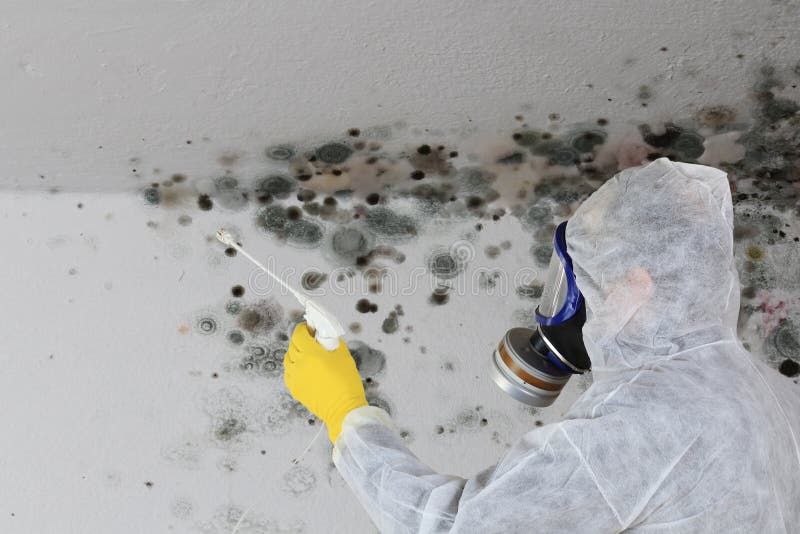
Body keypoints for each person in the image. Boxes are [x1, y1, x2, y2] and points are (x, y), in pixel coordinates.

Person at [283, 158, 800, 533]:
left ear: (638, 283)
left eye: (585, 277)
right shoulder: (777, 397)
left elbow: (457, 529)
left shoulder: (640, 420)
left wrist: (347, 415)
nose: (571, 301)